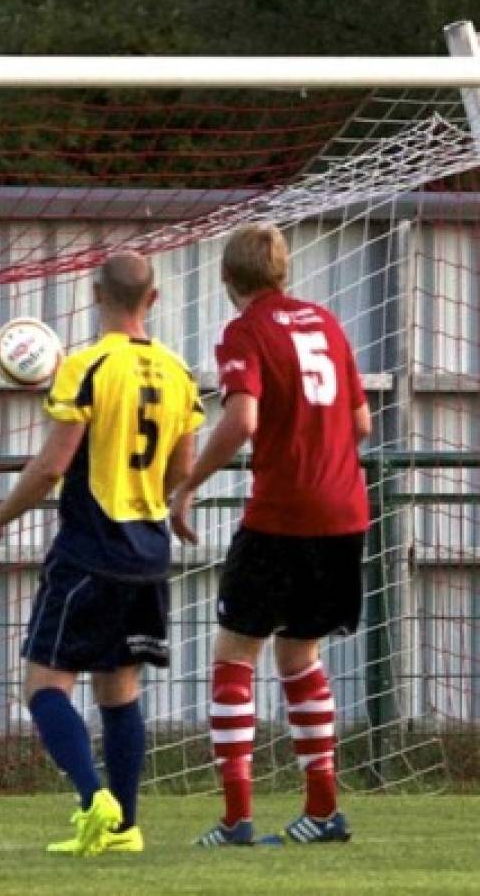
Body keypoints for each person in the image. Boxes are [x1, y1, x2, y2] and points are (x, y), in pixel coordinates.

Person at [0, 251, 203, 856]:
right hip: (149, 554)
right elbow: (182, 469)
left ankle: (92, 797)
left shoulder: (84, 366)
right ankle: (125, 828)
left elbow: (52, 466)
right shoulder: (180, 372)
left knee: (45, 686)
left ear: (95, 295)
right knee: (120, 691)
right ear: (151, 300)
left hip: (89, 552)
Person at [170, 222, 370, 847]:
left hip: (282, 515)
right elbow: (361, 422)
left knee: (234, 655)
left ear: (229, 280)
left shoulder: (245, 331)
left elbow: (242, 416)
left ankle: (235, 819)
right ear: (284, 273)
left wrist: (189, 484)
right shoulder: (328, 324)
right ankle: (322, 811)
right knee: (301, 656)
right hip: (345, 514)